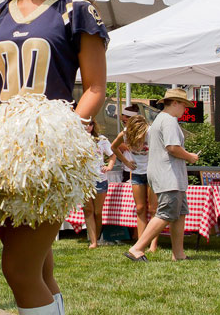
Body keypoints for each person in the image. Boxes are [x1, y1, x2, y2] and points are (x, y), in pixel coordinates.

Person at [0, 0, 108, 314]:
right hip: (1, 156)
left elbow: (95, 87)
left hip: (49, 154)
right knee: (39, 268)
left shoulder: (77, 10)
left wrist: (64, 135)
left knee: (18, 268)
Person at [126, 88, 199, 262]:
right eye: (183, 105)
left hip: (169, 175)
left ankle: (178, 254)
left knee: (179, 213)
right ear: (174, 103)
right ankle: (137, 248)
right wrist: (190, 157)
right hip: (168, 175)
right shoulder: (169, 121)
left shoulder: (161, 120)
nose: (185, 110)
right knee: (166, 213)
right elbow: (172, 147)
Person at [112, 115, 158, 251]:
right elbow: (113, 147)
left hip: (152, 173)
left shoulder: (150, 132)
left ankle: (153, 245)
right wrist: (126, 162)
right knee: (140, 208)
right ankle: (141, 243)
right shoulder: (125, 134)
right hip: (137, 173)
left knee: (153, 208)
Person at [83, 119, 115, 248]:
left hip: (100, 178)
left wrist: (109, 166)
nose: (87, 126)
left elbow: (112, 154)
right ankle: (93, 241)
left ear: (93, 125)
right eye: (84, 124)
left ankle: (96, 237)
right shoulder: (76, 140)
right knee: (88, 210)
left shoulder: (101, 139)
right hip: (84, 179)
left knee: (97, 211)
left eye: (90, 123)